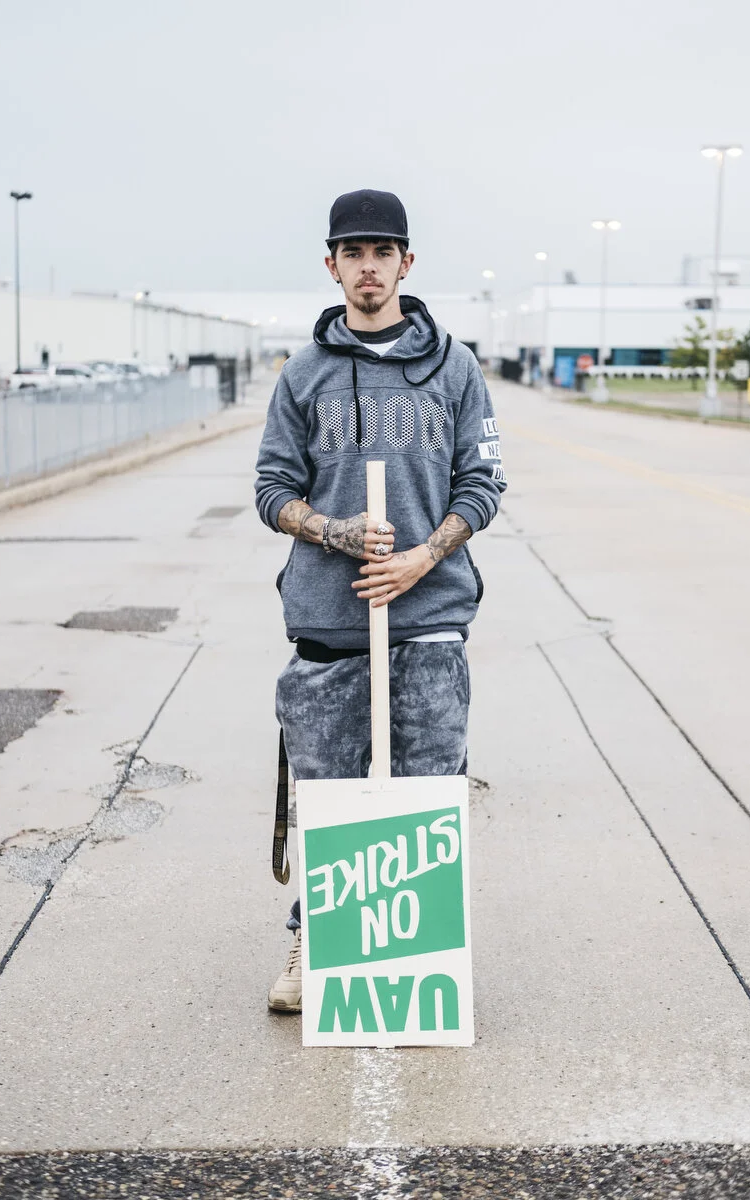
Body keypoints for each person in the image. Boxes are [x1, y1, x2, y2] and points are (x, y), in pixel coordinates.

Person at [254, 188, 506, 1012]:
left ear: (407, 262)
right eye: (353, 253)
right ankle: (314, 939)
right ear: (332, 266)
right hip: (328, 621)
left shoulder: (456, 367)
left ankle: (420, 958)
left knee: (429, 793)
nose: (369, 267)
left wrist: (422, 558)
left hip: (429, 618)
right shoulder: (305, 373)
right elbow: (270, 490)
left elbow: (483, 482)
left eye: (382, 252)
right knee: (330, 799)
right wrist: (333, 531)